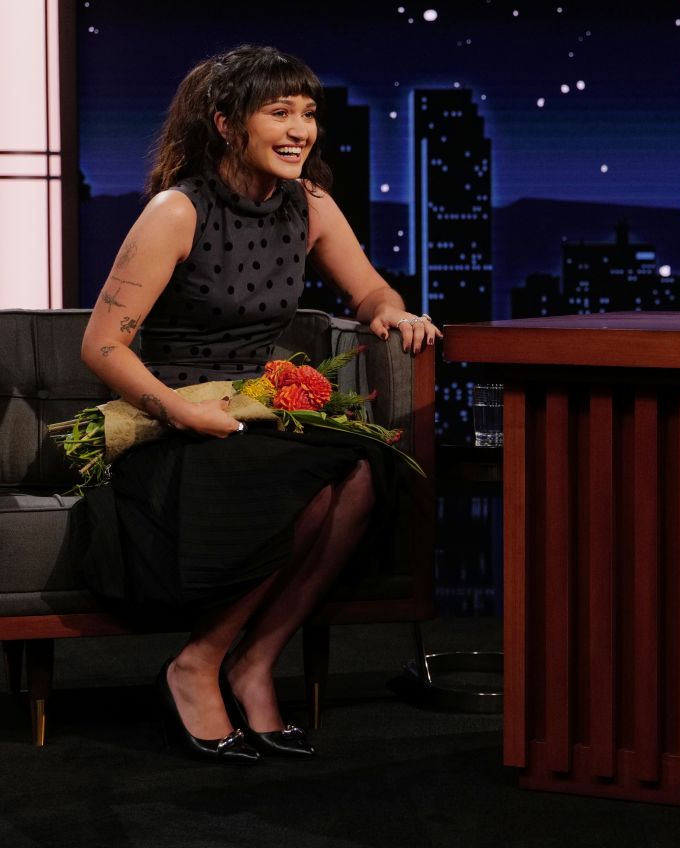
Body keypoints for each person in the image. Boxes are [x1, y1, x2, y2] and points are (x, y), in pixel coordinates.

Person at [71, 45, 441, 762]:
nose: (301, 130)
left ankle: (255, 660)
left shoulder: (311, 205)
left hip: (258, 412)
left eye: (308, 114)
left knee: (363, 471)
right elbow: (103, 346)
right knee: (299, 481)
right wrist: (182, 412)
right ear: (226, 122)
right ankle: (197, 664)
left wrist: (390, 311)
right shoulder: (177, 211)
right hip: (179, 420)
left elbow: (370, 290)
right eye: (279, 112)